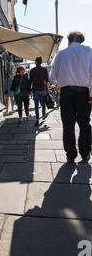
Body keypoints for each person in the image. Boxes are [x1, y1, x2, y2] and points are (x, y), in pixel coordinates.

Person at [50, 31, 92, 163]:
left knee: (68, 125)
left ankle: (70, 154)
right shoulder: (88, 52)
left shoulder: (61, 54)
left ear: (69, 40)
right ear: (81, 40)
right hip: (84, 92)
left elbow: (53, 78)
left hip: (66, 92)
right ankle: (85, 153)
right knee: (84, 124)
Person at [30, 57, 50, 126]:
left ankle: (37, 119)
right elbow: (47, 81)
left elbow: (31, 82)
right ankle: (44, 115)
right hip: (42, 89)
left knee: (36, 105)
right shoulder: (44, 70)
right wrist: (48, 89)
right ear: (41, 62)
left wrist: (30, 91)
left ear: (35, 62)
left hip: (35, 89)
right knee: (43, 104)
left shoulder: (32, 70)